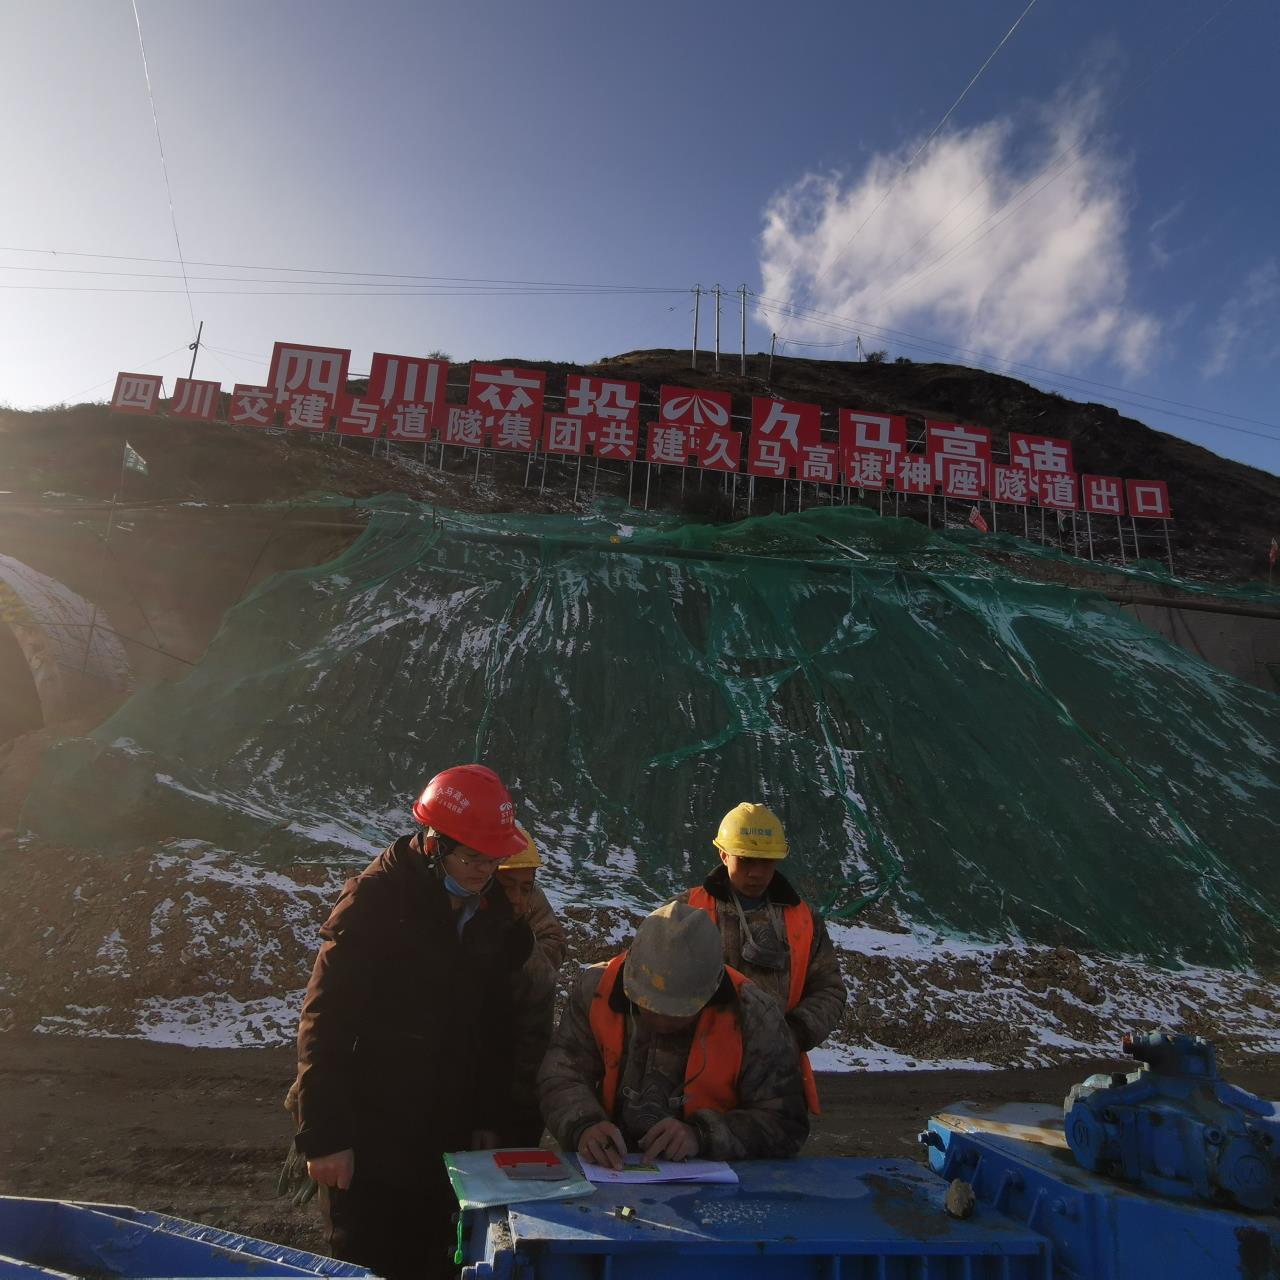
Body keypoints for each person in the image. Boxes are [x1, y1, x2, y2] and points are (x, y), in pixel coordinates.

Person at [289, 764, 533, 1280]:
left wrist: (492, 1115)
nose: (483, 870)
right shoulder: (374, 904)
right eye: (471, 857)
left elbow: (494, 1027)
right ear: (432, 842)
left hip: (447, 1141)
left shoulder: (488, 913)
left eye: (494, 859)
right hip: (371, 1140)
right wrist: (326, 1135)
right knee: (376, 1264)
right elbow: (325, 1022)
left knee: (443, 1264)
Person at [538, 901, 808, 1168]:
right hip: (611, 1174)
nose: (660, 1020)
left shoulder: (754, 1016)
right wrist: (584, 1125)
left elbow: (785, 1121)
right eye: (648, 1006)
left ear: (711, 993)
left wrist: (703, 1135)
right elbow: (561, 1074)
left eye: (676, 1012)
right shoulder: (597, 990)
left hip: (717, 1190)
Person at [677, 802, 847, 1114]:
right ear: (723, 854)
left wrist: (793, 1033)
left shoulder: (804, 920)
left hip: (775, 1076)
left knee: (771, 1153)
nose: (756, 872)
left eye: (766, 862)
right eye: (745, 860)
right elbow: (655, 982)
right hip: (696, 1070)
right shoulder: (685, 911)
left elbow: (829, 989)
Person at [495, 825, 566, 1145]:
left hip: (515, 1069)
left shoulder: (529, 902)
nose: (518, 900)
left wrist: (524, 957)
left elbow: (553, 943)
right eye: (507, 885)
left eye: (525, 888)